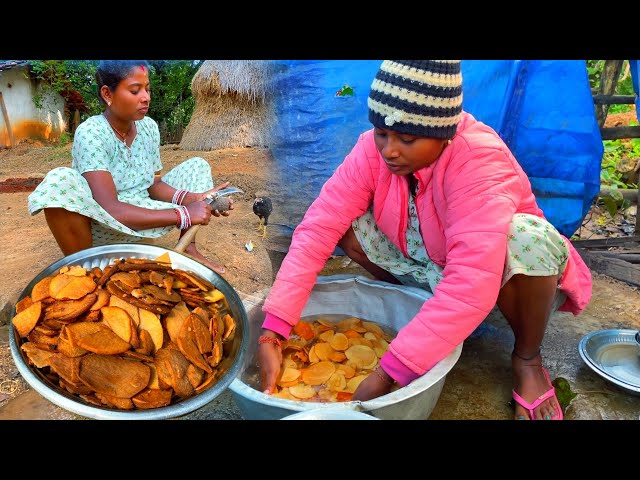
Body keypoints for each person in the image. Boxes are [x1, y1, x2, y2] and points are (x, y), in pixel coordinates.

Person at [257, 60, 592, 420]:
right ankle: (419, 313)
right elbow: (318, 228)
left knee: (529, 238)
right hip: (421, 258)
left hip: (491, 273)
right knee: (339, 222)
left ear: (444, 132)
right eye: (382, 134)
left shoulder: (479, 159)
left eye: (407, 138)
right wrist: (274, 329)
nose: (389, 150)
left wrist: (389, 371)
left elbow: (471, 282)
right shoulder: (371, 150)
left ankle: (527, 359)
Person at [28, 60, 232, 273]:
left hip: (143, 216)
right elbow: (109, 207)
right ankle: (84, 267)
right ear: (107, 94)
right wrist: (183, 214)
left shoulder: (149, 128)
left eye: (147, 89)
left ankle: (188, 246)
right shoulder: (92, 133)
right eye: (135, 91)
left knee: (198, 165)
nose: (146, 97)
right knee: (59, 180)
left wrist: (194, 199)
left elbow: (153, 185)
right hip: (105, 224)